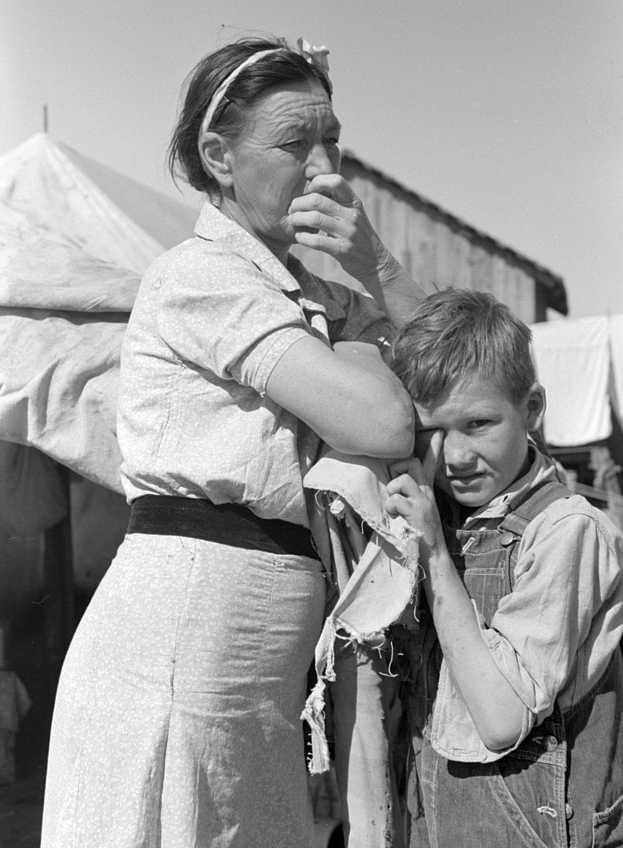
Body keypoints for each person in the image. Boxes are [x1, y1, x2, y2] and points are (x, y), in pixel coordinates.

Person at [41, 36, 422, 848]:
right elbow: (388, 421)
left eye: (333, 142)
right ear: (219, 156)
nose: (324, 169)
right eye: (294, 142)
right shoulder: (200, 276)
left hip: (250, 647)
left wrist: (377, 267)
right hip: (182, 632)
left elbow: (454, 377)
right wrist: (363, 338)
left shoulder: (312, 291)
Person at [385, 289, 623, 848]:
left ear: (533, 409)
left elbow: (498, 719)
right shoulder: (441, 516)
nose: (455, 457)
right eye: (431, 431)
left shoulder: (567, 531)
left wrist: (437, 561)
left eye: (479, 423)